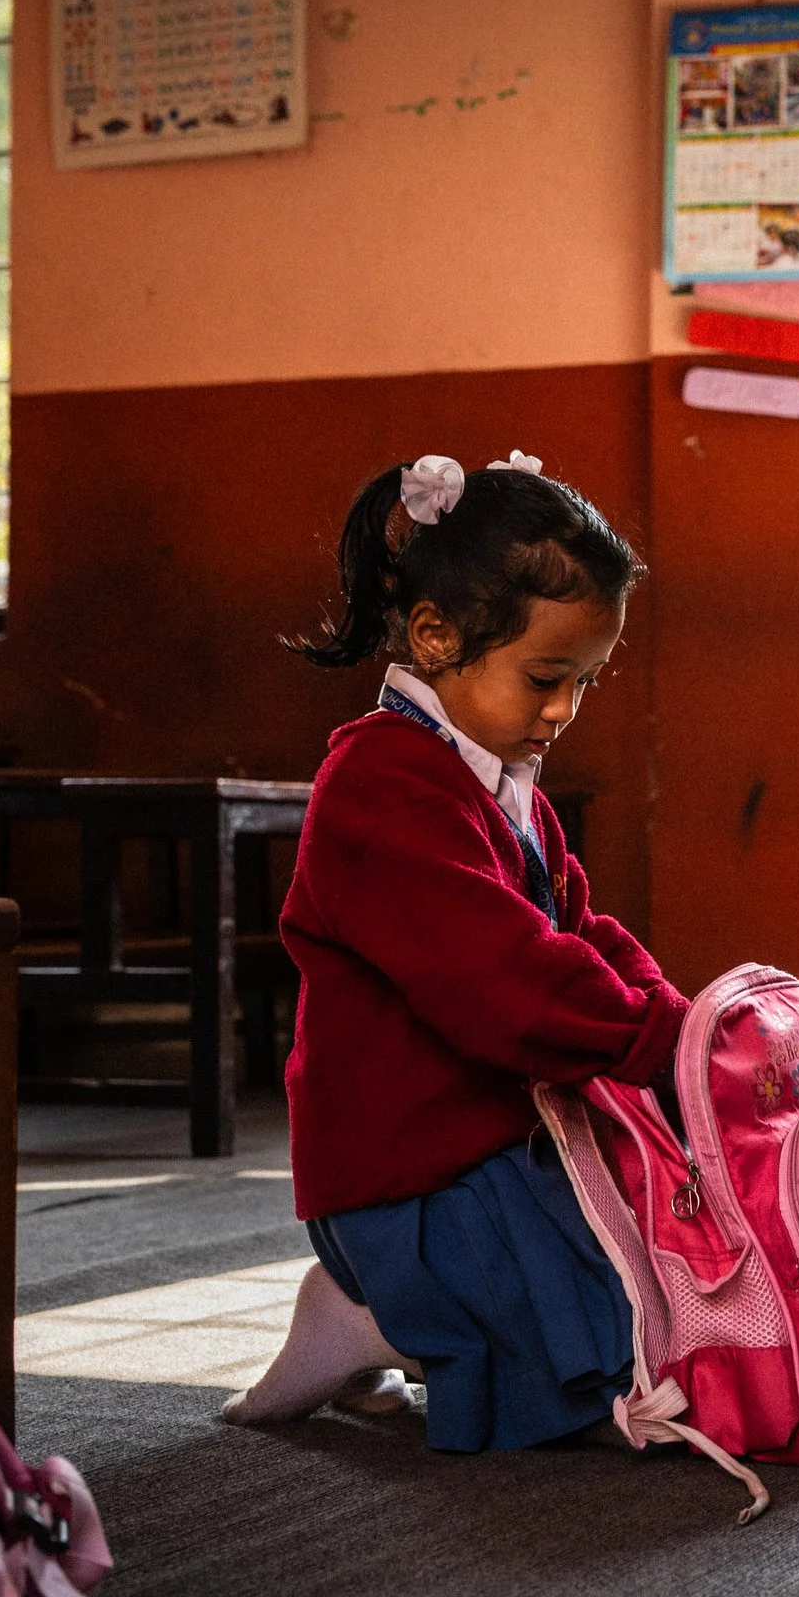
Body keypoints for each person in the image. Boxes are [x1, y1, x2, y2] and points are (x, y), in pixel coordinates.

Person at [220, 450, 685, 1452]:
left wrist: (680, 1020)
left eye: (585, 682)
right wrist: (650, 1040)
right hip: (410, 1177)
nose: (563, 709)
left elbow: (579, 926)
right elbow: (502, 976)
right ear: (434, 636)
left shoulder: (499, 777)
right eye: (545, 677)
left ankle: (415, 1319)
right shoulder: (379, 788)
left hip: (491, 1147)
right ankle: (369, 1313)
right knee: (604, 1350)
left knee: (661, 1293)